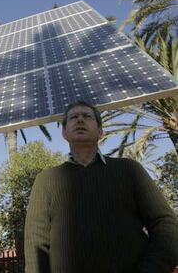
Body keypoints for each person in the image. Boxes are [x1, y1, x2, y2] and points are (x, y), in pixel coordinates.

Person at [24, 101, 178, 273]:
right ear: (64, 133)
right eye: (73, 117)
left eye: (87, 116)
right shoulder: (46, 179)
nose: (80, 120)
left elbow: (165, 223)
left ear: (100, 132)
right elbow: (35, 242)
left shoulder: (129, 169)